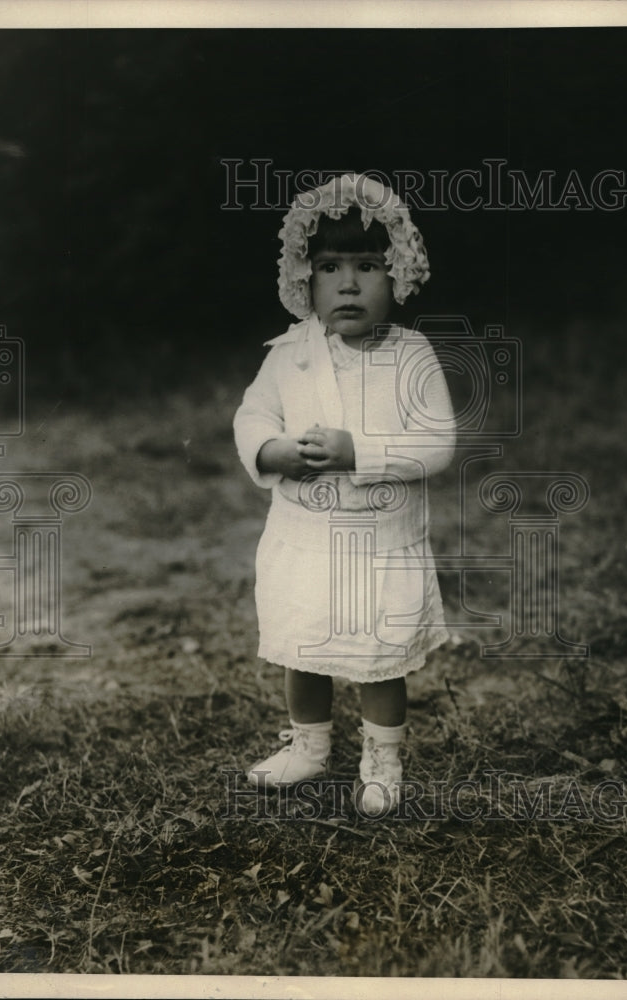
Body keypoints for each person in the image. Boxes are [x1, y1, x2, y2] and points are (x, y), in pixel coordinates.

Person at [233, 174, 455, 816]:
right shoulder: (289, 355)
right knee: (304, 644)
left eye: (368, 266)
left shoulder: (412, 357)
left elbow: (437, 442)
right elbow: (252, 416)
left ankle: (382, 756)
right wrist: (271, 451)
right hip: (304, 538)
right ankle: (308, 744)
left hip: (380, 541)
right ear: (305, 278)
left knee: (380, 659)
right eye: (329, 266)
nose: (349, 283)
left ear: (400, 275)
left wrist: (361, 452)